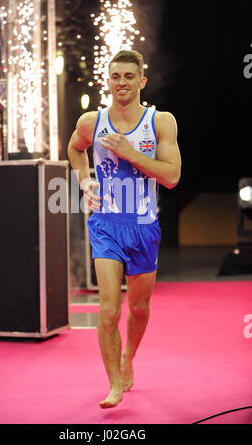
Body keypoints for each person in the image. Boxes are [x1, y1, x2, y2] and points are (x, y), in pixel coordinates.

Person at [67, 50, 181, 408]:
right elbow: (75, 148)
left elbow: (173, 176)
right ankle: (114, 384)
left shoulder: (160, 121)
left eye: (129, 77)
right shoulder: (92, 121)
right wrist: (84, 181)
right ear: (108, 81)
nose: (121, 83)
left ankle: (129, 355)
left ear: (142, 81)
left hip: (144, 227)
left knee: (140, 308)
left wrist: (131, 154)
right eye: (115, 76)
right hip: (106, 226)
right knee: (109, 310)